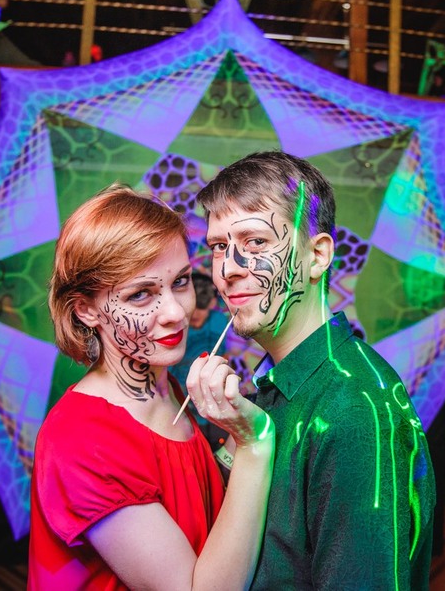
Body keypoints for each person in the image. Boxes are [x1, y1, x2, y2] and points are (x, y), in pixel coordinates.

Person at [188, 150, 436, 590]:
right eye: (219, 247)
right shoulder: (276, 384)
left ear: (318, 256)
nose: (227, 269)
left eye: (255, 242)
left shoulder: (353, 410)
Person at [28, 185, 275, 589]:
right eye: (141, 294)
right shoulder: (82, 438)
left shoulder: (167, 389)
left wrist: (234, 429)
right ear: (86, 309)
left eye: (180, 281)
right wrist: (254, 445)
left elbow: (192, 507)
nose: (176, 312)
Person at [169, 272, 228, 449]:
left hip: (213, 404)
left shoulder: (219, 321)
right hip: (181, 404)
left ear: (211, 302)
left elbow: (225, 355)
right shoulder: (175, 327)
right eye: (192, 308)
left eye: (201, 308)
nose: (195, 315)